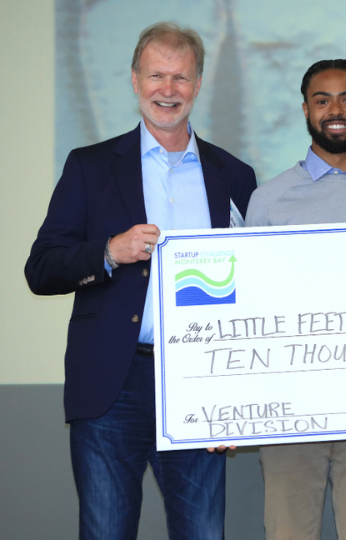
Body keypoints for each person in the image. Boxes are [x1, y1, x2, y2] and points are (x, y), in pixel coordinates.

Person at [24, 22, 256, 539]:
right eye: (156, 75)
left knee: (203, 533)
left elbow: (249, 294)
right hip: (113, 382)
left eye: (180, 77)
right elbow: (41, 268)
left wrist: (238, 397)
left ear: (197, 84)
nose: (167, 90)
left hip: (201, 382)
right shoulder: (90, 167)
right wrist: (108, 252)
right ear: (134, 80)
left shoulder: (234, 175)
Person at [245, 59, 346, 540]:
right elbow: (249, 310)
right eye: (322, 100)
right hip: (290, 413)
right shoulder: (268, 200)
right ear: (306, 110)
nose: (336, 110)